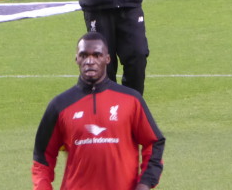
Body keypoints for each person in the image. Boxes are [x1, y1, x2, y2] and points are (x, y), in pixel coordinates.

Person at [32, 32, 165, 190]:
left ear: (107, 59)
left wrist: (144, 184)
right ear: (77, 59)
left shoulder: (131, 100)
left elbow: (154, 143)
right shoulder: (60, 105)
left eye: (97, 55)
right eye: (84, 55)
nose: (90, 61)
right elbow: (42, 157)